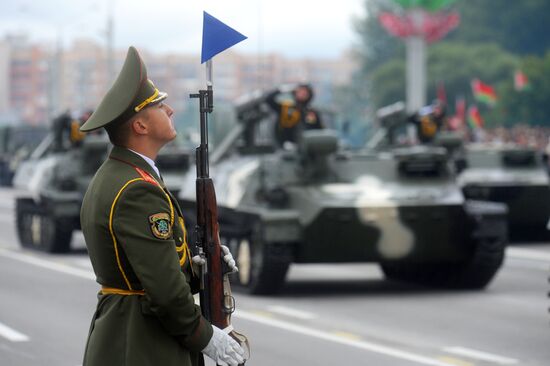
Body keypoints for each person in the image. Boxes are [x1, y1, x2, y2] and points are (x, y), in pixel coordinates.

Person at [79, 46, 245, 366]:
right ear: (140, 126)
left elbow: (149, 266)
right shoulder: (136, 189)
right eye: (158, 105)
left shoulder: (124, 175)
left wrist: (203, 269)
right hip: (142, 344)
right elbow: (165, 292)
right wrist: (206, 338)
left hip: (129, 335)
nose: (169, 110)